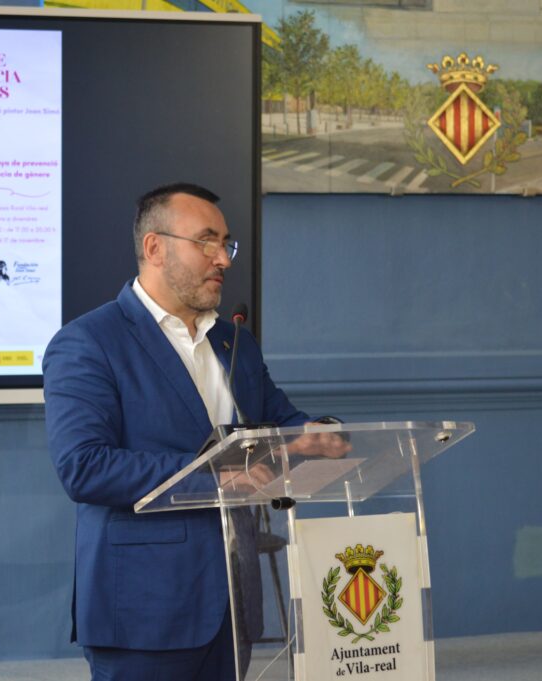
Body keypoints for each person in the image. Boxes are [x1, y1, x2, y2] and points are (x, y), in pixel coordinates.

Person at [43, 183, 349, 681]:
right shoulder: (89, 342)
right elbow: (85, 466)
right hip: (144, 607)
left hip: (232, 602)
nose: (222, 259)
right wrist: (215, 477)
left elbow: (282, 421)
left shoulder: (235, 342)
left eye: (226, 244)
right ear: (155, 248)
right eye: (206, 242)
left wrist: (319, 433)